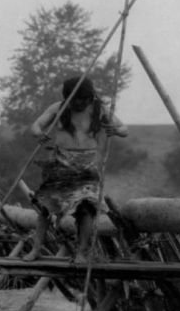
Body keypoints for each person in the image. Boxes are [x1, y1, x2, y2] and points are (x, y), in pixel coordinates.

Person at [23, 76, 128, 262]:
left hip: (88, 164)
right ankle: (36, 249)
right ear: (68, 97)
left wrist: (116, 131)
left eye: (83, 99)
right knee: (46, 208)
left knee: (86, 209)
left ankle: (81, 252)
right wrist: (39, 133)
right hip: (61, 162)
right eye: (75, 99)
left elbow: (123, 128)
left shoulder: (99, 109)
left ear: (90, 97)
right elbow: (36, 125)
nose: (79, 103)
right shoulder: (58, 108)